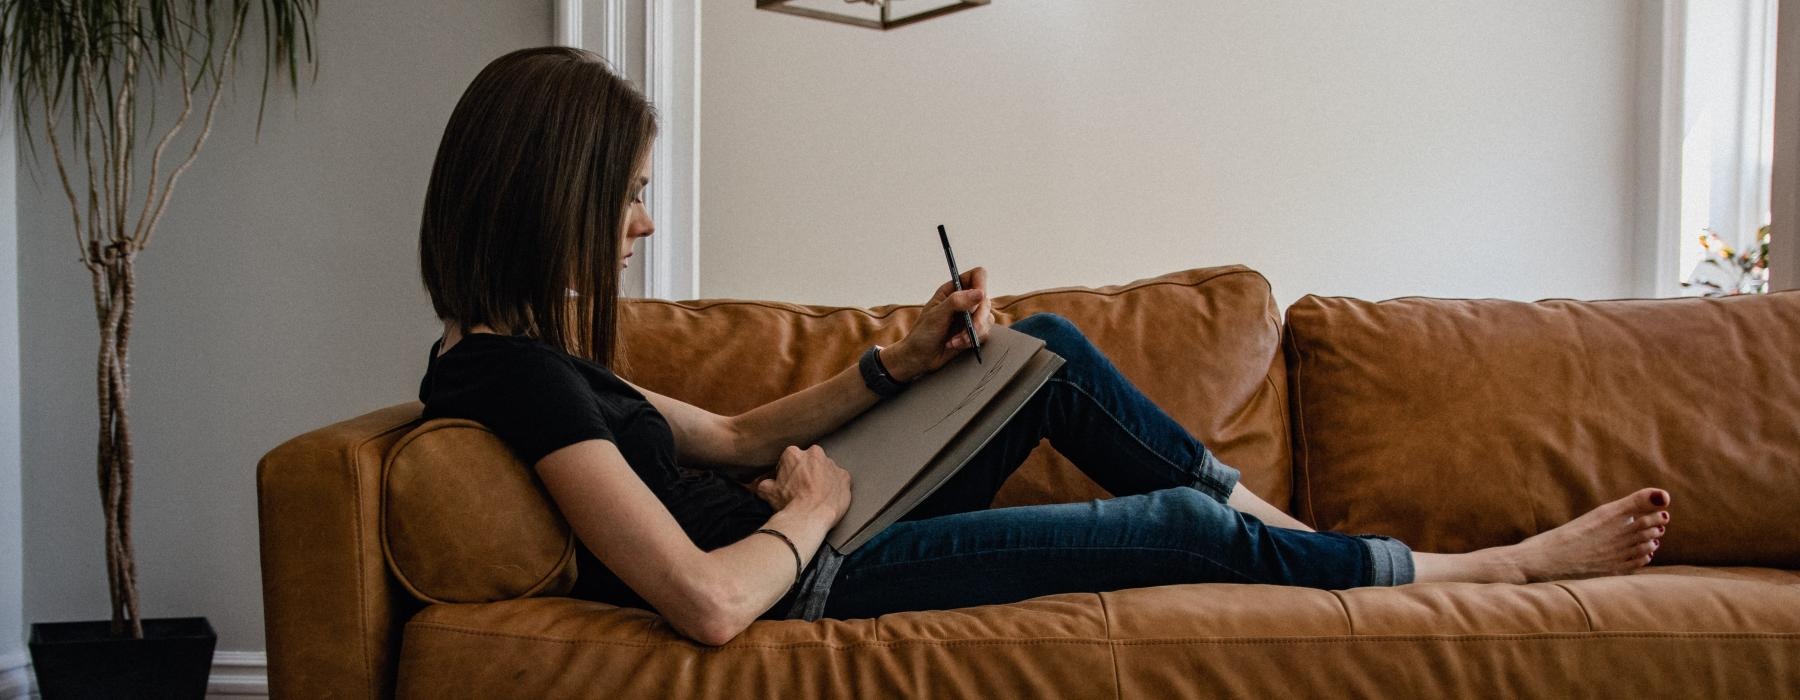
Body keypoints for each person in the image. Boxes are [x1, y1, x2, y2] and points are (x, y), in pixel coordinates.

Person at [416, 47, 1672, 647]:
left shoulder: (538, 354)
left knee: (1045, 350)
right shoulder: (507, 378)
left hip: (811, 526)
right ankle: (1478, 571)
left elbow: (736, 436)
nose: (641, 221)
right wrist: (808, 514)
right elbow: (701, 599)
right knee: (1178, 533)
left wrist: (902, 362)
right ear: (551, 191)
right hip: (806, 569)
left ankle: (1301, 544)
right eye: (628, 193)